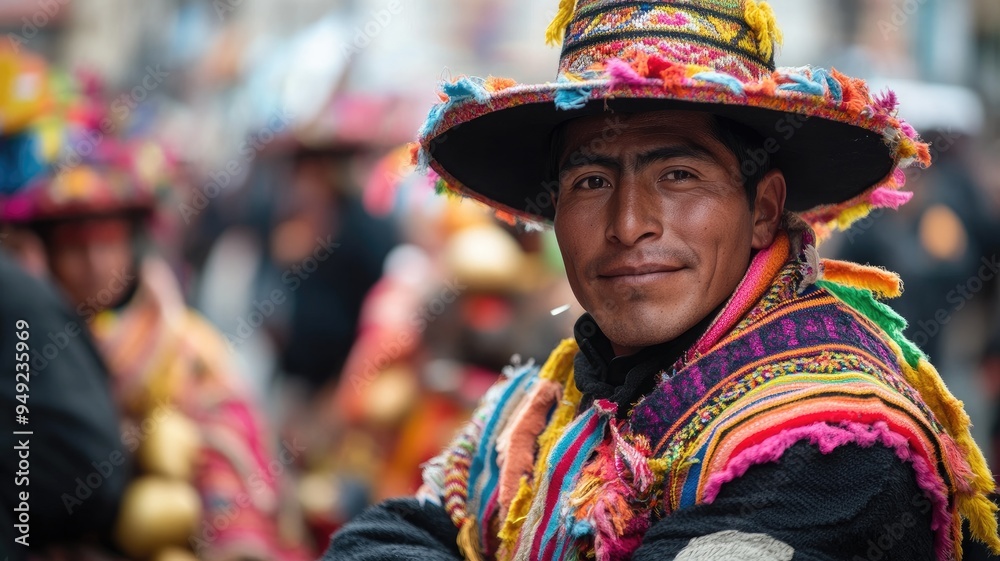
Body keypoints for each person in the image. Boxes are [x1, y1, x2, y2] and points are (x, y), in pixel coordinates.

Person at [327, 1, 1000, 560]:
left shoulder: (831, 444)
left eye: (678, 175)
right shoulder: (542, 411)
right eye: (591, 181)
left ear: (763, 208)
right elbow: (376, 539)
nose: (627, 223)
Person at [1, 79, 311, 561]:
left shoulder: (185, 346)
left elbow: (230, 434)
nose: (92, 262)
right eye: (73, 245)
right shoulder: (24, 342)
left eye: (107, 242)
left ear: (133, 245)